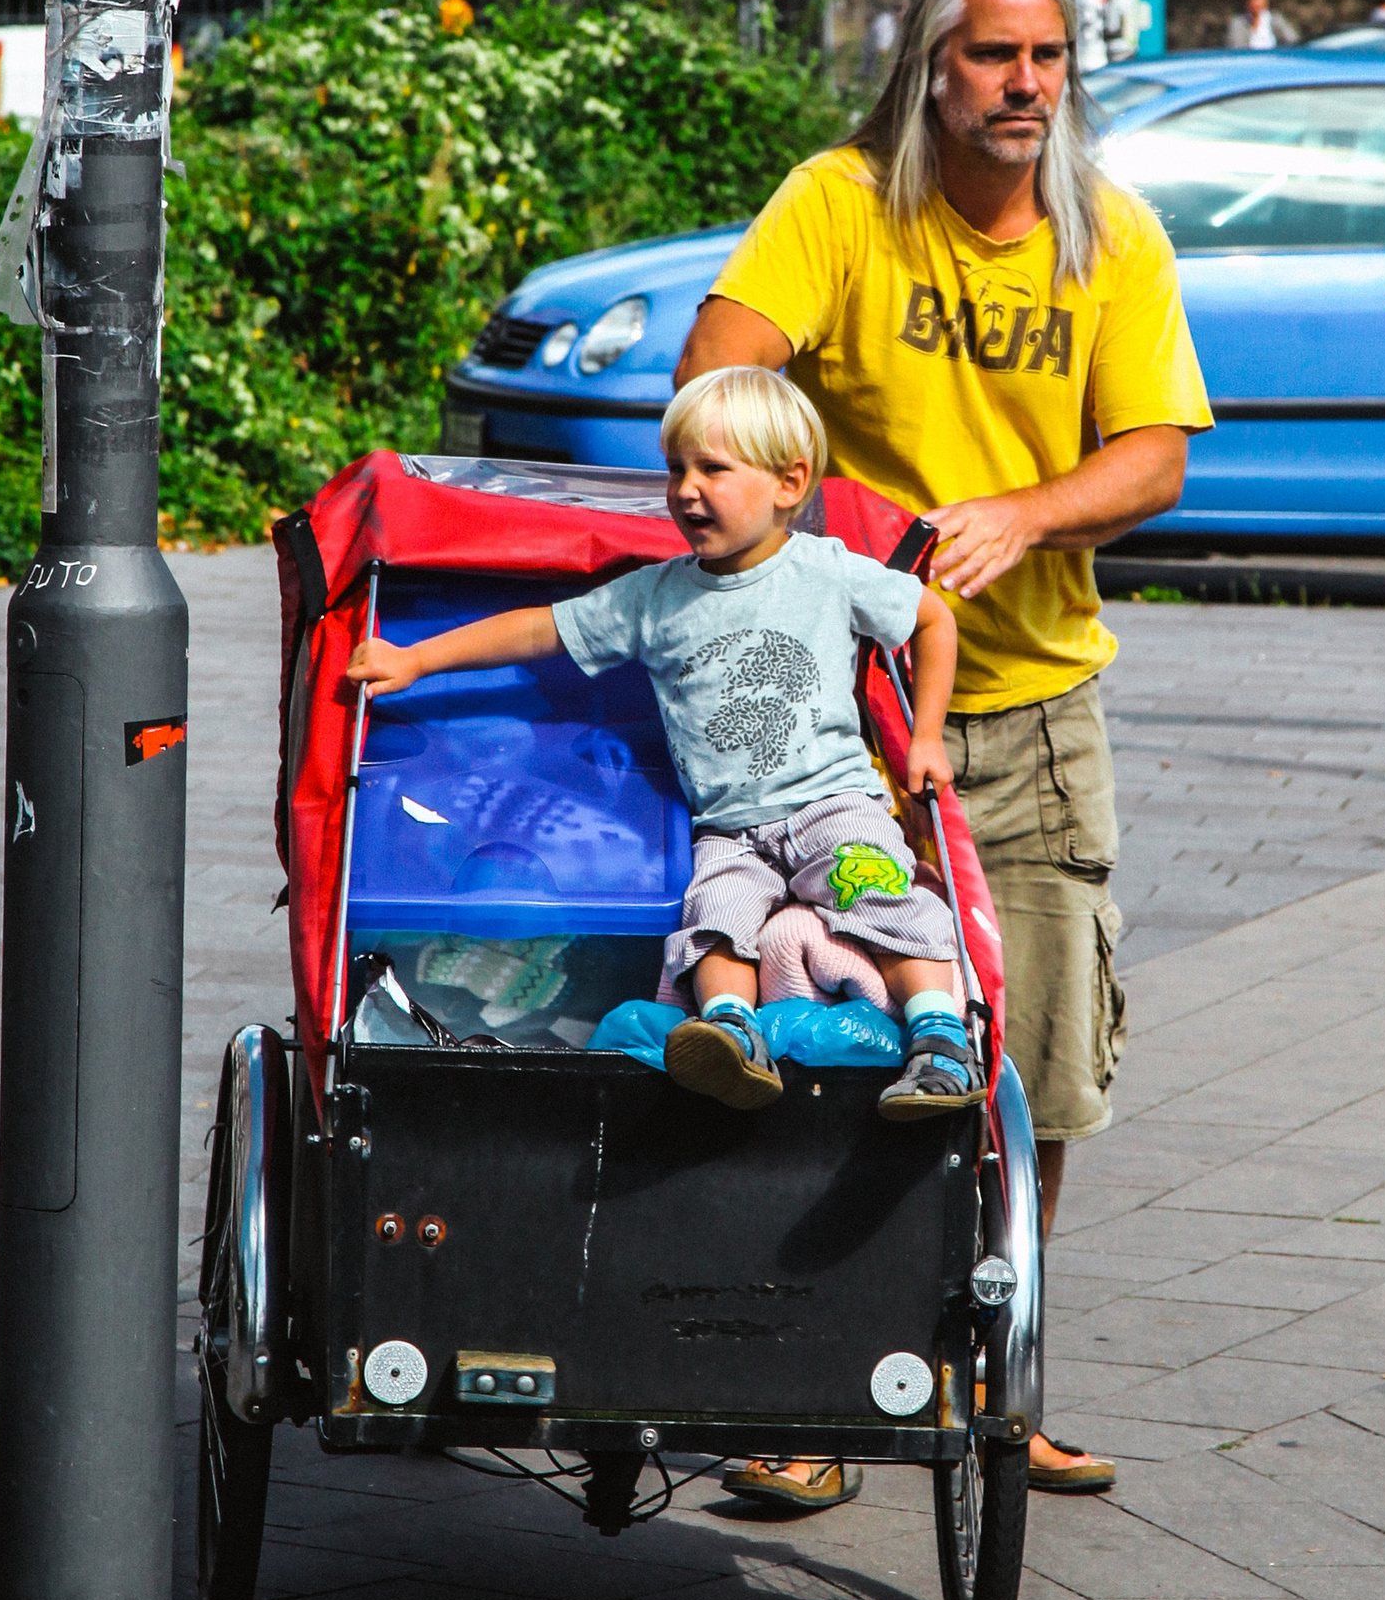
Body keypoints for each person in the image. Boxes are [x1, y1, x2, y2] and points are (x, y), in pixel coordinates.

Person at [676, 0, 1212, 1505]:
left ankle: (1001, 1377)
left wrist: (1026, 514)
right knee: (812, 1038)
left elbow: (1158, 453)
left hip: (1037, 710)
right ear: (932, 66)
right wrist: (832, 532)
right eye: (993, 55)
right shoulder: (841, 206)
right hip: (835, 727)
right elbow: (721, 366)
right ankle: (794, 1394)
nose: (1025, 85)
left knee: (1038, 1070)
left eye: (1047, 58)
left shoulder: (1110, 239)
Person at [344, 366, 981, 1119]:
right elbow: (541, 629)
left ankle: (940, 1039)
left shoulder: (826, 570)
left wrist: (928, 739)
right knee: (712, 922)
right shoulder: (656, 597)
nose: (685, 489)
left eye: (713, 469)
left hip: (830, 801)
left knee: (879, 889)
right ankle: (731, 1036)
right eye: (677, 468)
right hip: (725, 827)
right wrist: (417, 659)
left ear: (789, 481)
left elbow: (934, 619)